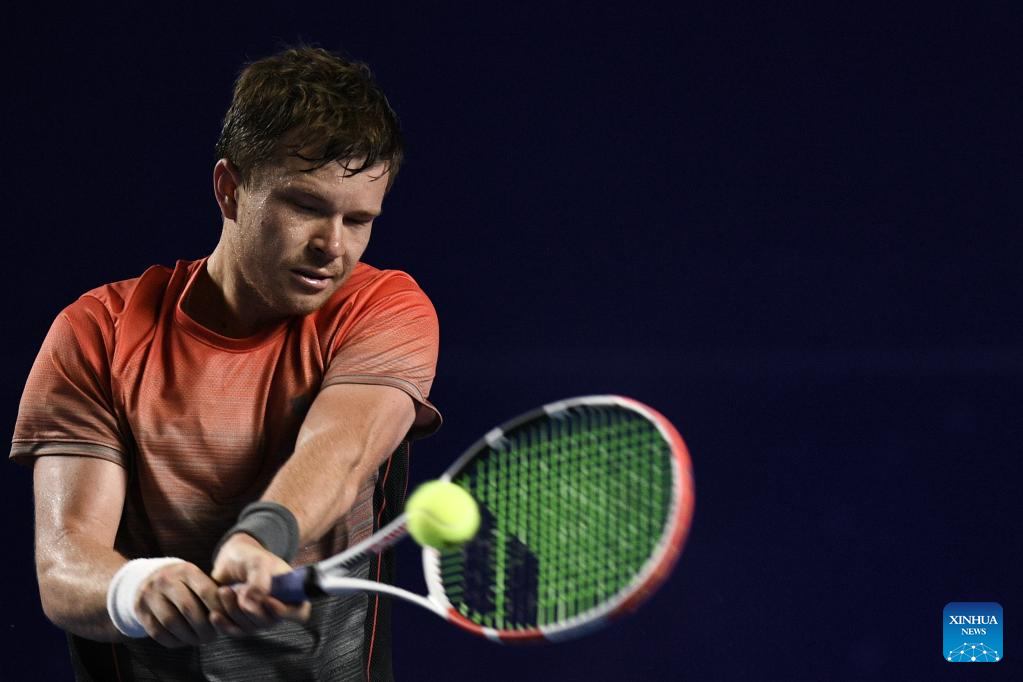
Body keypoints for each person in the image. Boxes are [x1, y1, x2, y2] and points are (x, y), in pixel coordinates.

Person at [10, 46, 440, 681]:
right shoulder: (96, 332)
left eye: (358, 220)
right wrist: (136, 588)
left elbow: (343, 451)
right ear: (230, 189)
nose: (332, 246)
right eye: (306, 206)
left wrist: (261, 538)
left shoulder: (384, 307)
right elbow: (65, 564)